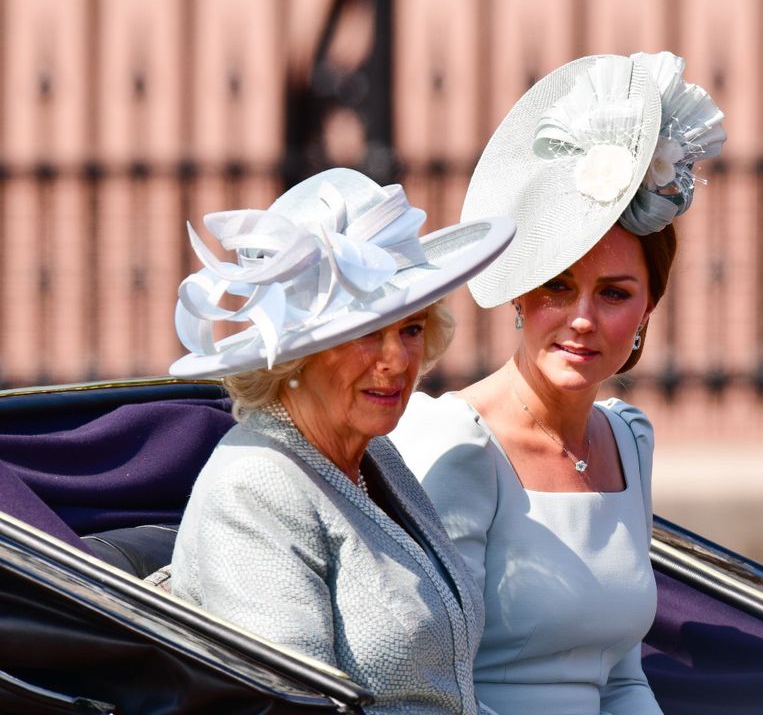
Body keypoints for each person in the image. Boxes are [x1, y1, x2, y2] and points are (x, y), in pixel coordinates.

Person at [389, 52, 724, 714]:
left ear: (649, 306)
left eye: (615, 293)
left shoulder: (628, 442)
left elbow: (622, 678)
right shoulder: (461, 445)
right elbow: (422, 686)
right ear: (518, 296)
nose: (581, 320)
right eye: (557, 288)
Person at [166, 168, 514, 715]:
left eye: (412, 328)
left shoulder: (374, 456)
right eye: (363, 334)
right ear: (297, 354)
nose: (397, 360)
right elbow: (291, 706)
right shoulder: (253, 487)